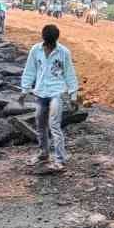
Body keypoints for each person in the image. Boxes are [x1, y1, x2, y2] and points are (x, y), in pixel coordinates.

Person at [20, 24, 80, 174]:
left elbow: (69, 73)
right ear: (43, 39)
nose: (50, 47)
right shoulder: (36, 50)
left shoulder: (64, 52)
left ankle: (60, 159)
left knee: (54, 124)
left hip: (57, 92)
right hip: (40, 92)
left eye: (52, 44)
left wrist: (73, 95)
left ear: (56, 40)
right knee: (40, 124)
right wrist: (24, 89)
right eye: (48, 44)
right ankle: (43, 154)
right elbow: (30, 70)